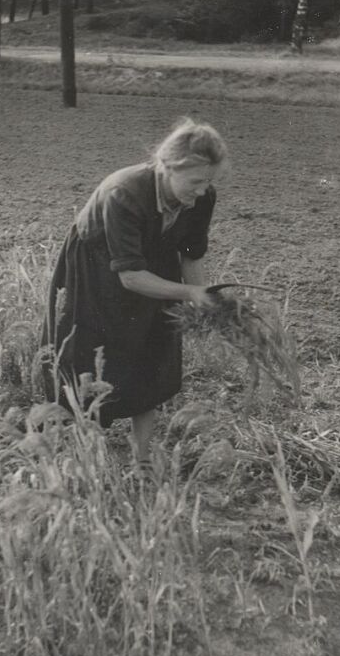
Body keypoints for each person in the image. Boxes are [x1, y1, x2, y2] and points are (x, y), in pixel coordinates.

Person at [41, 117, 227, 463]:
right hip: (98, 263)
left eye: (210, 181)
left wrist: (201, 295)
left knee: (153, 350)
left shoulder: (202, 198)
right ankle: (87, 454)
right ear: (168, 167)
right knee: (95, 355)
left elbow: (189, 253)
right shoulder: (124, 192)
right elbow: (130, 277)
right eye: (196, 181)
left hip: (154, 253)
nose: (202, 191)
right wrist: (188, 294)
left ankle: (141, 459)